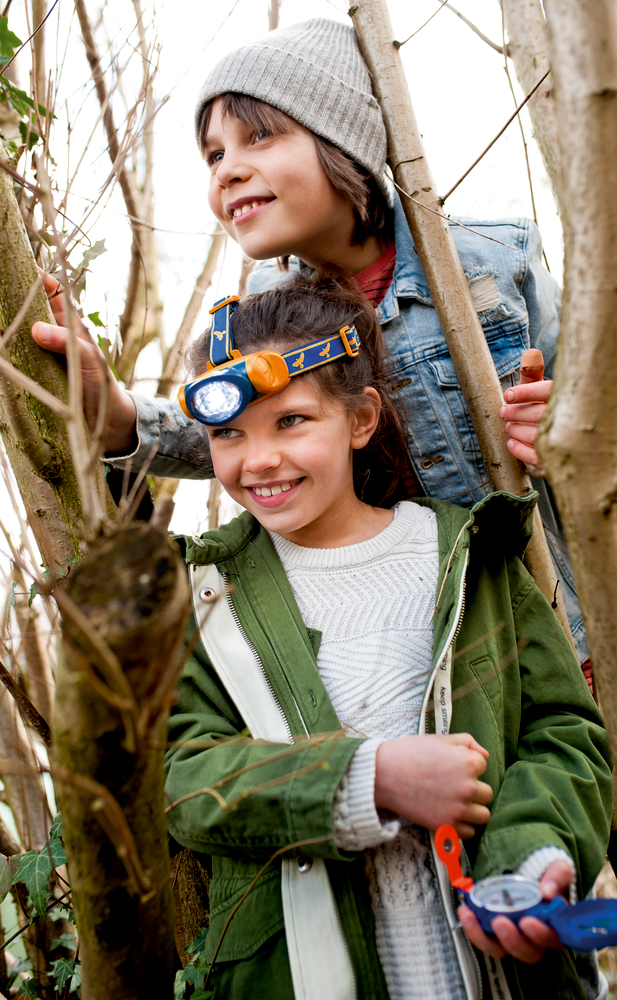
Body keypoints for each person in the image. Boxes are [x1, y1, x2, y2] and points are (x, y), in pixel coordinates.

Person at [31, 18, 588, 662]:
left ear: (341, 140)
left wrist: (565, 430)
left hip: (546, 638)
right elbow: (238, 431)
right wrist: (117, 416)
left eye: (259, 136)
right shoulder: (258, 315)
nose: (227, 171)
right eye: (214, 155)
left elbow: (601, 426)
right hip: (390, 653)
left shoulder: (489, 262)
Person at [163, 273, 612, 1000]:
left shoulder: (467, 553)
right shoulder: (207, 594)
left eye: (291, 421)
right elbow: (182, 777)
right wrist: (367, 780)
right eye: (227, 434)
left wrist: (531, 856)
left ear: (361, 419)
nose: (257, 459)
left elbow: (562, 732)